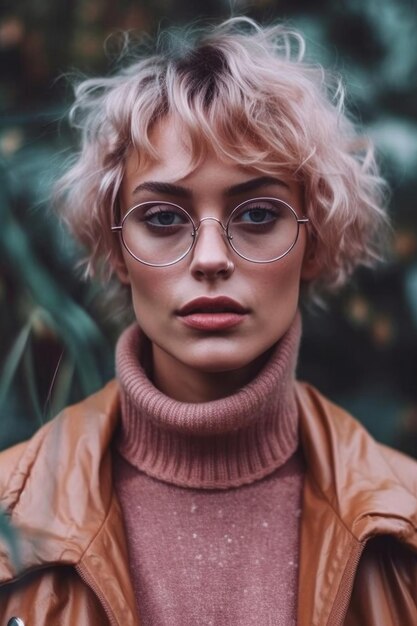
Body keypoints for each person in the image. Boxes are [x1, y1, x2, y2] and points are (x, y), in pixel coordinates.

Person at [0, 17, 416, 626]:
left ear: (315, 237)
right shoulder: (9, 520)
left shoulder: (404, 522)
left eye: (257, 214)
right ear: (116, 248)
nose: (212, 258)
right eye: (164, 219)